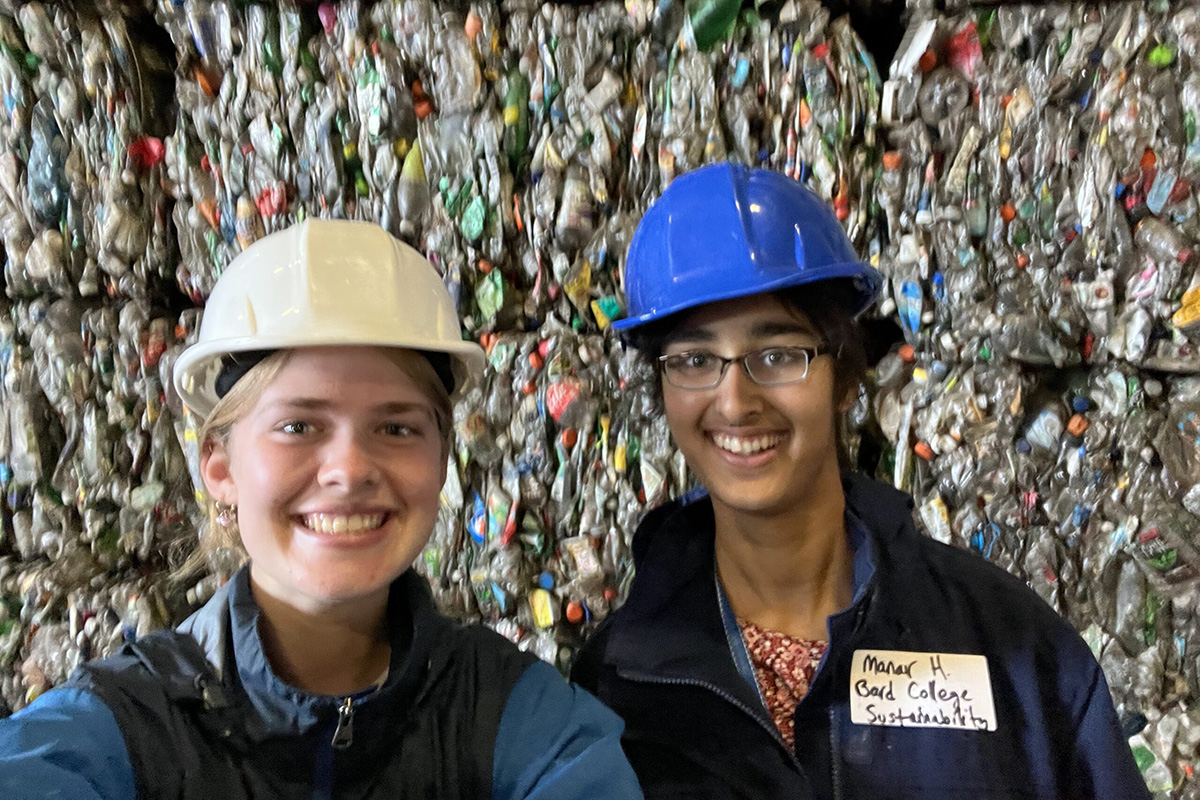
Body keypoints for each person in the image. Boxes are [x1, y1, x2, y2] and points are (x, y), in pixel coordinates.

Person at [0, 219, 643, 800]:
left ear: (442, 462)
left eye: (396, 429)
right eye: (299, 426)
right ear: (220, 467)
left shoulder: (527, 725)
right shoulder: (116, 731)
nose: (350, 470)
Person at [572, 164, 1149, 800]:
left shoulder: (1010, 650)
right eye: (694, 360)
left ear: (845, 377)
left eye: (779, 354)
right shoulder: (615, 687)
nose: (734, 403)